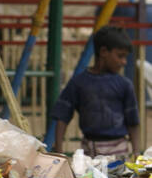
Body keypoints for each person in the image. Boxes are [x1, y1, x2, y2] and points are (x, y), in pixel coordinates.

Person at [49, 25, 140, 159]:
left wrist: (136, 152)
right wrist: (59, 151)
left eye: (125, 57)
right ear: (103, 51)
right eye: (120, 56)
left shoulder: (125, 85)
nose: (124, 62)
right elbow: (62, 117)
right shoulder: (78, 82)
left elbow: (133, 121)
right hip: (89, 150)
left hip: (119, 151)